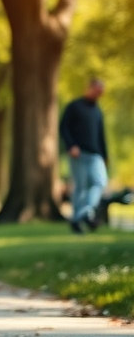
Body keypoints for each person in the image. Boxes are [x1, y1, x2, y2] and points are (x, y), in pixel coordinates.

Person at [59, 78, 109, 234]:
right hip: (78, 153)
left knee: (100, 182)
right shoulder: (75, 107)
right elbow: (64, 127)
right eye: (96, 90)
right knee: (80, 187)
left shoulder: (97, 111)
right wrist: (71, 145)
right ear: (89, 88)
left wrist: (105, 155)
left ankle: (84, 213)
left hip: (95, 154)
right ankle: (77, 220)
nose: (98, 94)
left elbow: (101, 135)